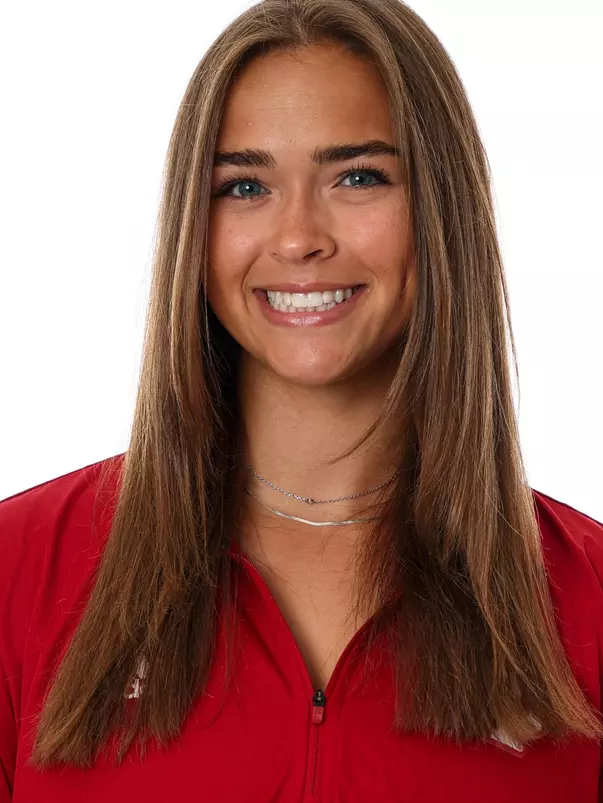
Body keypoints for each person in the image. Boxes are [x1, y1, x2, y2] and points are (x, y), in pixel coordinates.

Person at [1, 0, 602, 800]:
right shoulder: (18, 568)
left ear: (440, 209)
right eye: (243, 185)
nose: (296, 237)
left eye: (357, 177)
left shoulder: (589, 598)